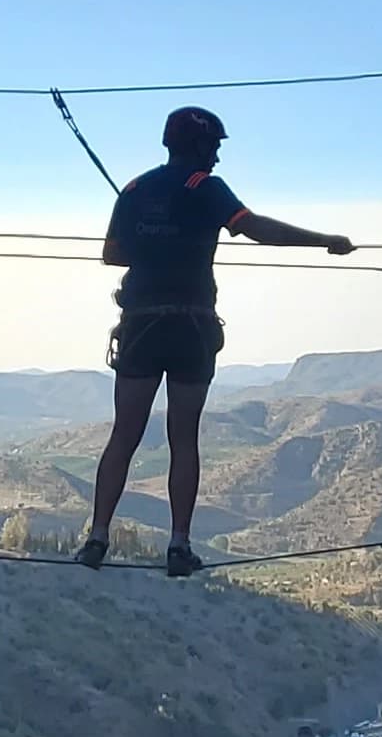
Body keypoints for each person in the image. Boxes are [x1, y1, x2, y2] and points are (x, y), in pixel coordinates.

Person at [76, 106, 353, 575]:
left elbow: (111, 254)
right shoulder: (205, 187)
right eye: (215, 147)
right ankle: (179, 546)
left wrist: (153, 247)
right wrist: (325, 240)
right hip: (190, 327)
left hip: (141, 324)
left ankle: (97, 538)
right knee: (184, 439)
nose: (219, 157)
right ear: (199, 146)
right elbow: (256, 228)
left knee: (124, 434)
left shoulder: (135, 189)